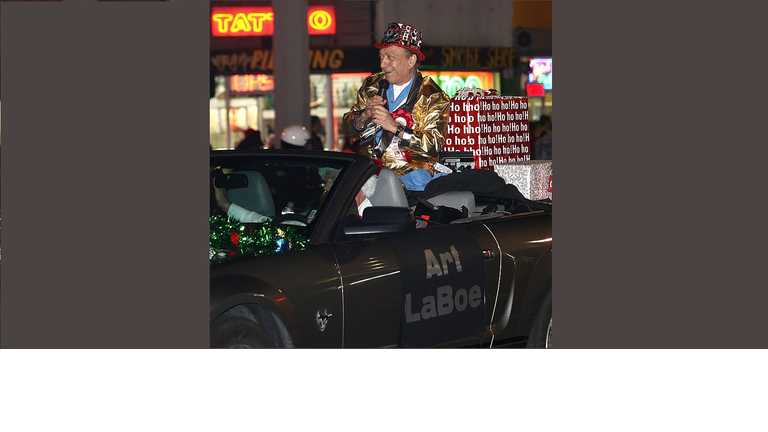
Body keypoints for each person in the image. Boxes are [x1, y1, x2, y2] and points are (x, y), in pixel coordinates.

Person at [342, 22, 450, 178]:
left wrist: (395, 127)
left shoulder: (432, 96)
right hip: (369, 174)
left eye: (390, 57)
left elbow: (432, 146)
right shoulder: (372, 85)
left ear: (411, 61)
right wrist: (364, 115)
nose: (382, 64)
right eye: (381, 57)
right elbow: (347, 128)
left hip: (409, 181)